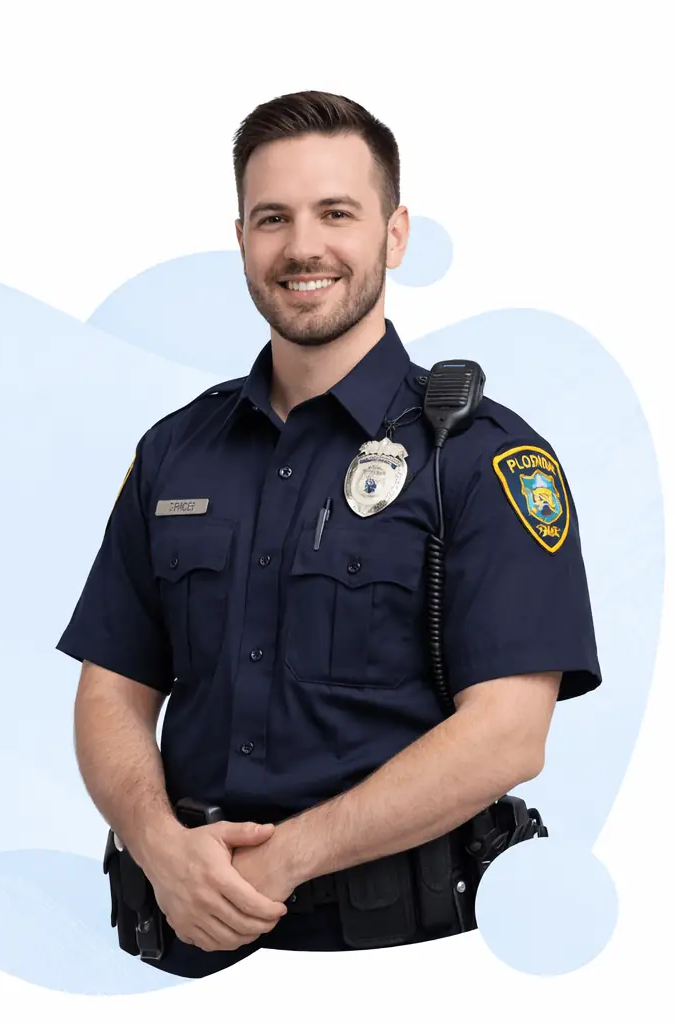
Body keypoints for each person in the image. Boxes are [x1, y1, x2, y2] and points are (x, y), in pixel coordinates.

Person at [56, 90, 601, 978]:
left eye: (336, 213)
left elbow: (509, 733)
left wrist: (284, 862)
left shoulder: (479, 457)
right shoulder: (175, 452)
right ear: (241, 239)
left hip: (412, 968)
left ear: (395, 235)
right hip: (175, 953)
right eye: (273, 218)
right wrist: (158, 844)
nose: (302, 246)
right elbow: (110, 691)